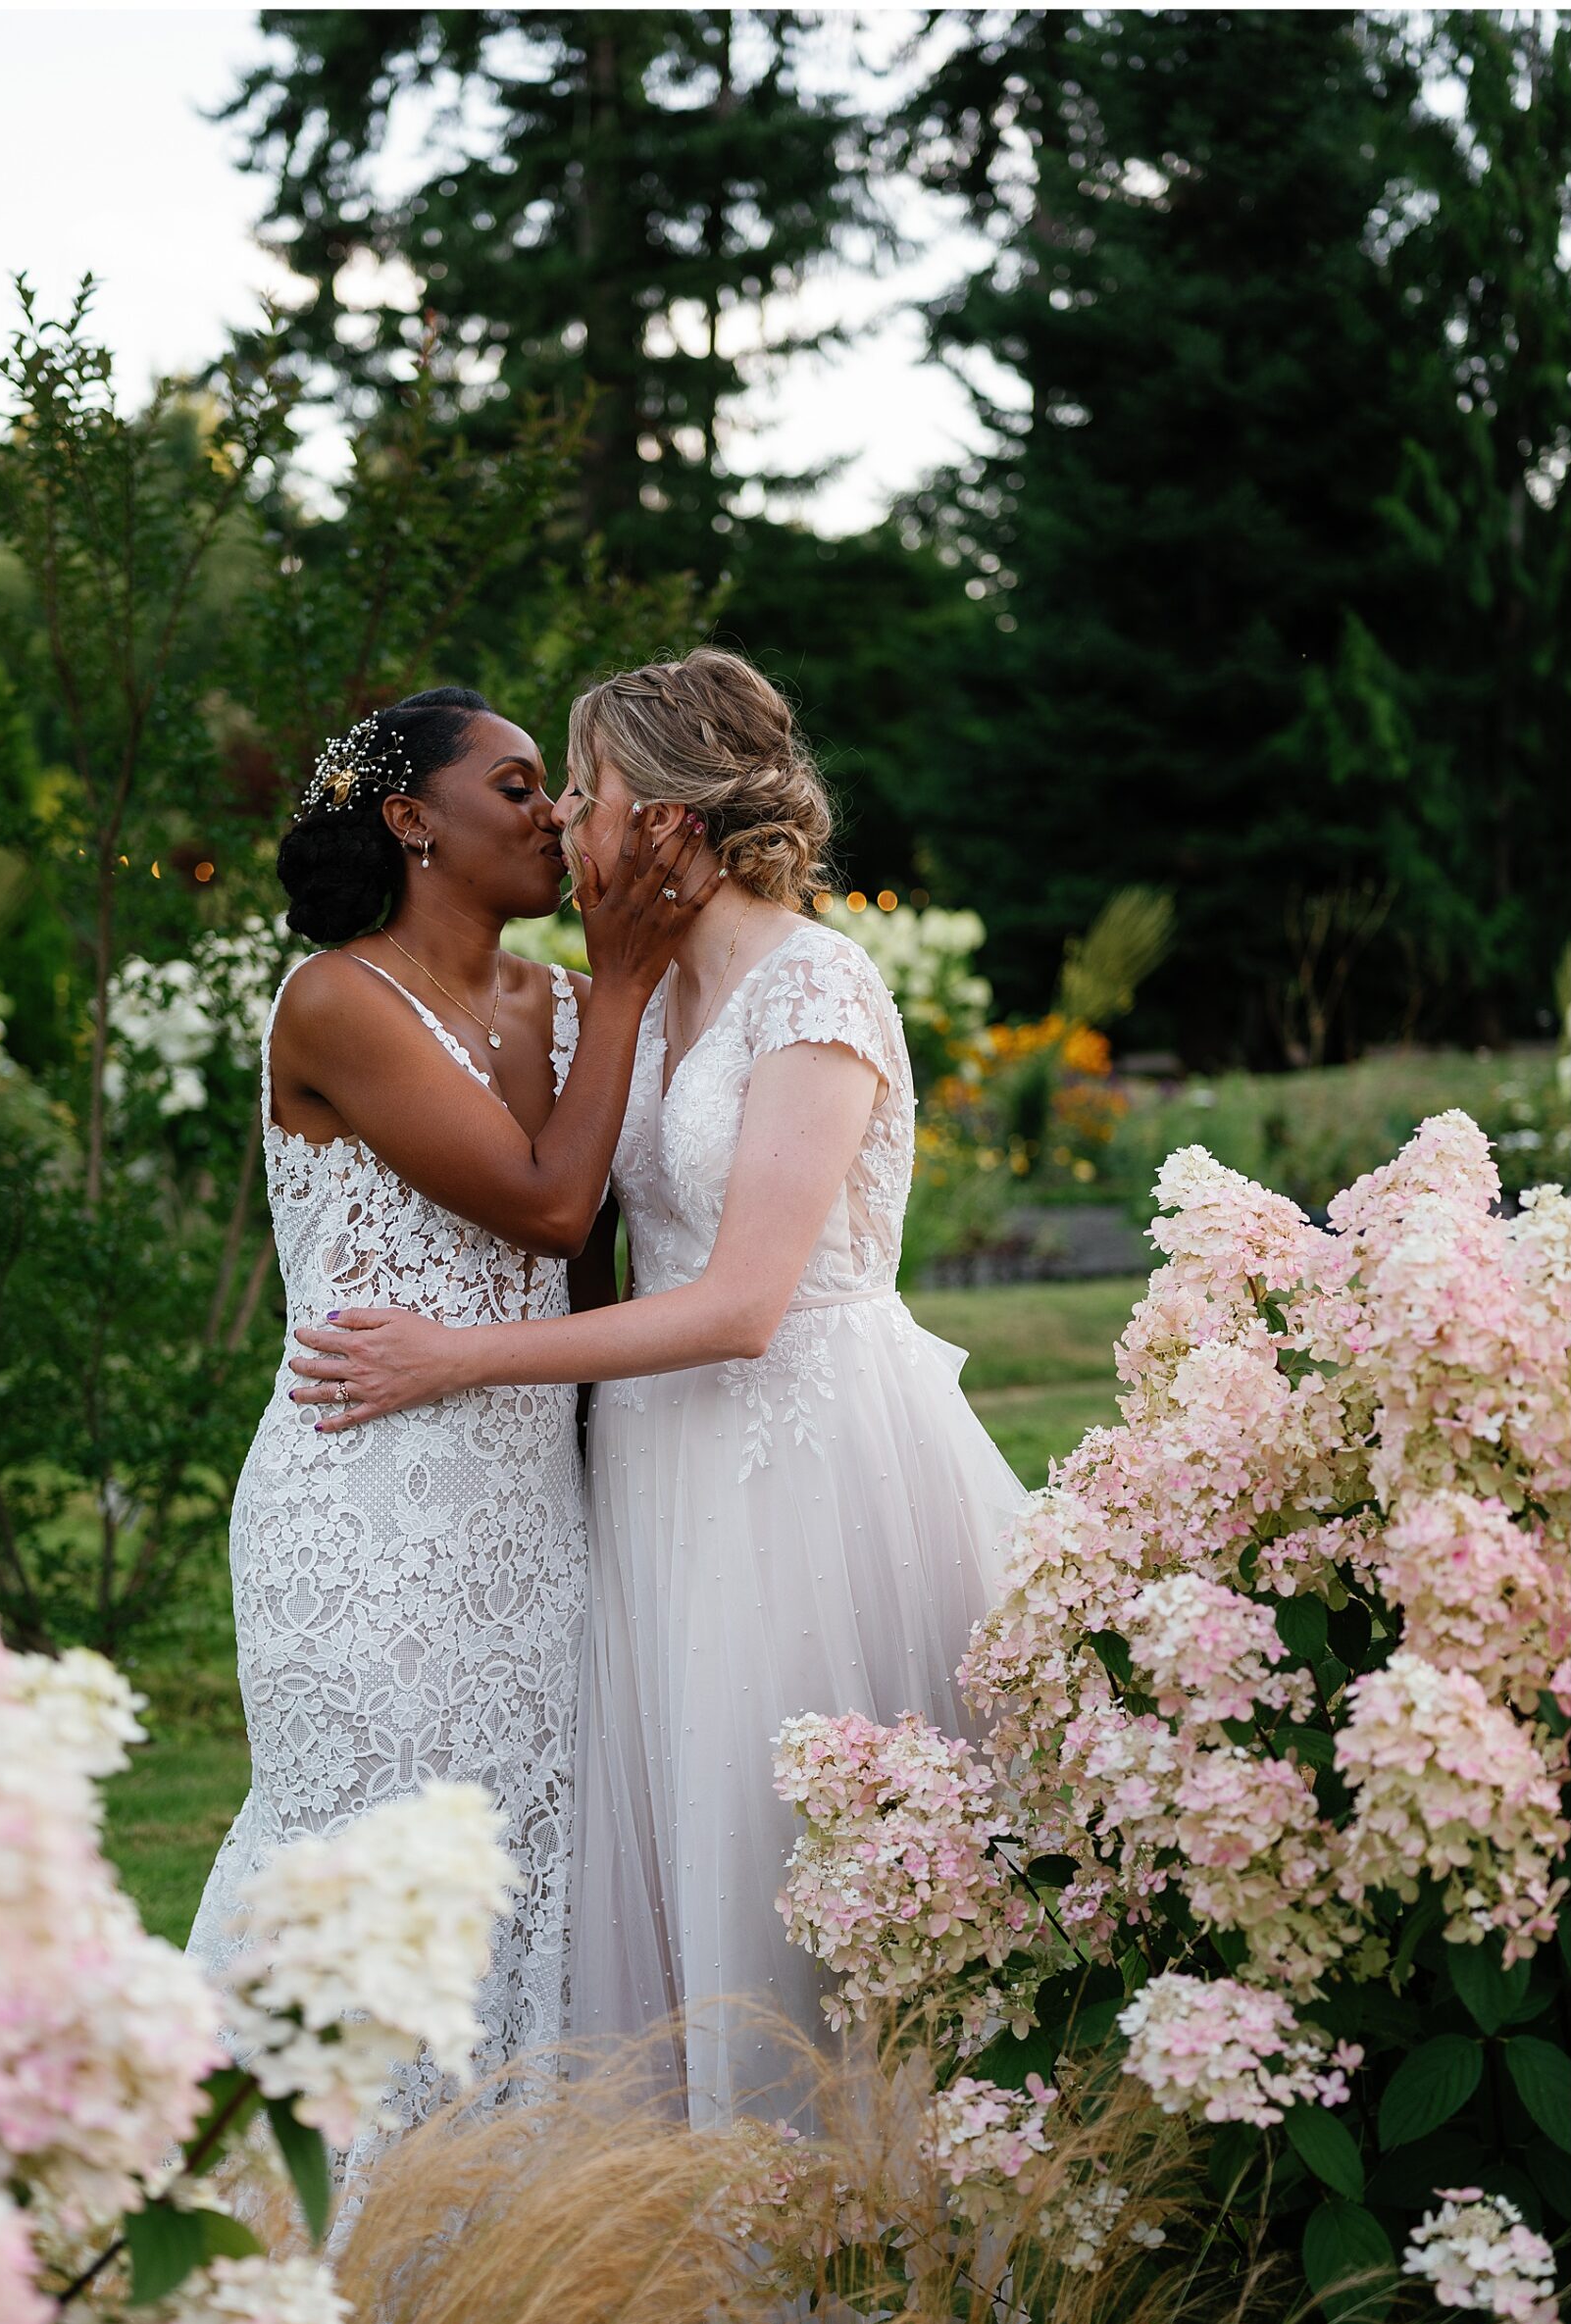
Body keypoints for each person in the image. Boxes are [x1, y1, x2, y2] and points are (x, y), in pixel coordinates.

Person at [289, 650, 1025, 2126]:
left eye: (592, 784)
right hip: (657, 1475)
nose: (566, 813)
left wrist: (459, 1359)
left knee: (818, 1865)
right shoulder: (641, 998)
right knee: (690, 1869)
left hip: (806, 1471)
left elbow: (746, 1303)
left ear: (673, 819)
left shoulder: (812, 981)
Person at [185, 683, 717, 2158]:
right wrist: (622, 987)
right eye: (518, 784)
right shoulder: (337, 1001)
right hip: (362, 1514)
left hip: (527, 1519)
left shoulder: (555, 1002)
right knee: (362, 1888)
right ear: (411, 819)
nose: (555, 813)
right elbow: (547, 1205)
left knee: (521, 1895)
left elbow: (593, 1272)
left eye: (556, 787)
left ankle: (487, 2316)